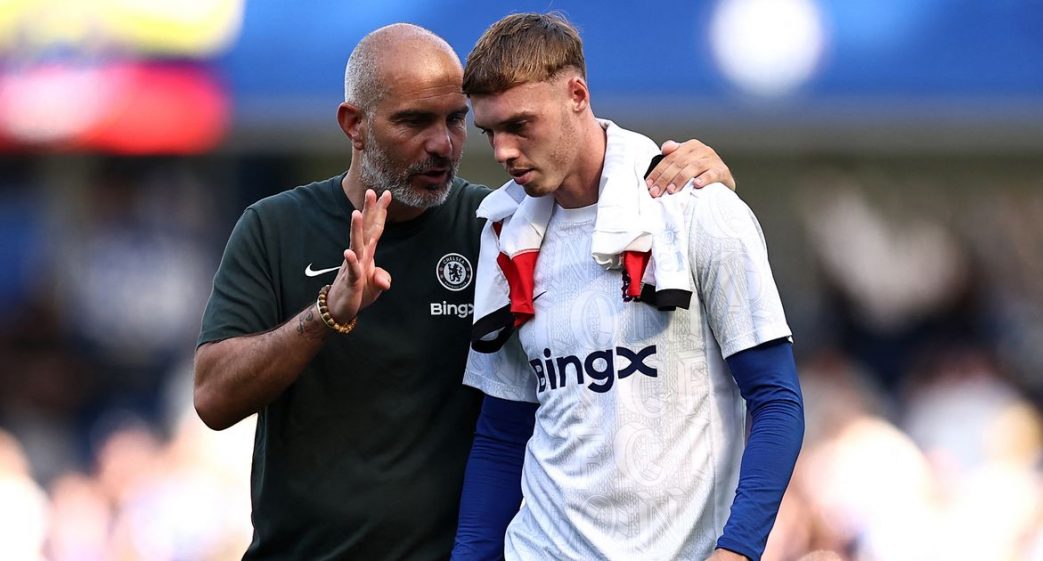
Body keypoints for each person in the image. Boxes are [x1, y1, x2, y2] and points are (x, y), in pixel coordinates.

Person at [192, 22, 736, 561]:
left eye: (455, 120)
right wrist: (325, 315)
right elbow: (213, 400)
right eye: (414, 121)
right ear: (354, 124)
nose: (443, 144)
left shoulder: (501, 229)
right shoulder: (274, 227)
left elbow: (611, 205)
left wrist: (698, 181)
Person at [453, 13, 804, 561]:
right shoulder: (504, 233)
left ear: (577, 95)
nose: (502, 151)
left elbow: (776, 400)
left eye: (519, 125)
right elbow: (502, 433)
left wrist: (739, 549)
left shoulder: (697, 208)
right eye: (489, 132)